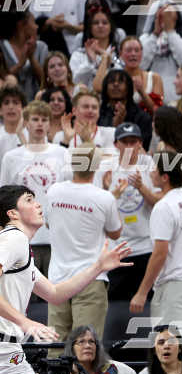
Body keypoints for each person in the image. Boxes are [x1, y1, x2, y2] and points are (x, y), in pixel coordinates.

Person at [0, 183, 130, 374]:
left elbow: (56, 294)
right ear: (12, 213)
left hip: (5, 348)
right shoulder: (13, 237)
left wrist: (98, 267)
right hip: (4, 353)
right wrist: (25, 322)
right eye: (29, 200)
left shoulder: (20, 249)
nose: (38, 204)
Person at [45, 143, 124, 342]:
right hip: (90, 279)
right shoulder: (105, 198)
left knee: (55, 346)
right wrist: (111, 195)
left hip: (57, 280)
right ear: (97, 167)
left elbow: (49, 223)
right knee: (86, 347)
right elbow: (115, 233)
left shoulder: (54, 191)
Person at [130, 152, 182, 329]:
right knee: (177, 344)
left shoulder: (163, 207)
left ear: (165, 177)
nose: (151, 173)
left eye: (155, 170)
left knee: (169, 347)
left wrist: (142, 292)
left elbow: (160, 253)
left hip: (174, 284)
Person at [0, 100, 70, 277]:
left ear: (49, 124)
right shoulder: (11, 157)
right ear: (26, 123)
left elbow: (69, 192)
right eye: (35, 119)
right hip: (21, 239)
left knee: (54, 295)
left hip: (56, 238)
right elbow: (4, 199)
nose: (40, 123)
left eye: (44, 119)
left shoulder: (61, 153)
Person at [101, 122, 161, 301]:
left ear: (140, 143)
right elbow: (99, 210)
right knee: (114, 304)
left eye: (133, 141)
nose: (128, 146)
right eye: (124, 142)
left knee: (147, 303)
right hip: (117, 249)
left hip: (145, 247)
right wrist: (108, 191)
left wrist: (142, 187)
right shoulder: (106, 168)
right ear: (115, 144)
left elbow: (159, 205)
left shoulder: (149, 165)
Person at [138, 7, 182, 106]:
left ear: (176, 19)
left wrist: (170, 32)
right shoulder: (145, 38)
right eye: (160, 17)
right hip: (150, 93)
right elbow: (140, 65)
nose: (164, 20)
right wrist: (155, 34)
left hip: (177, 95)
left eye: (168, 17)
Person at [69, 4, 123, 89]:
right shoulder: (78, 54)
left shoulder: (119, 53)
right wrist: (91, 62)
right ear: (90, 28)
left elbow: (123, 79)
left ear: (111, 27)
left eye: (104, 23)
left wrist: (107, 58)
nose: (100, 26)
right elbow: (73, 81)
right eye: (96, 23)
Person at [97, 69, 153, 148]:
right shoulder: (98, 114)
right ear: (105, 87)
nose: (116, 84)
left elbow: (143, 146)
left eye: (120, 81)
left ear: (128, 88)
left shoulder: (142, 116)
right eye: (112, 81)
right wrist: (113, 127)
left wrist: (121, 128)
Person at [1, 11, 47, 101]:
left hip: (37, 104)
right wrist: (20, 65)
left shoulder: (41, 47)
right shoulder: (2, 48)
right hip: (9, 104)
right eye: (33, 22)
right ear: (21, 25)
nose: (36, 26)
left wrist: (32, 58)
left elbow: (46, 81)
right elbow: (2, 80)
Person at [0, 85, 27, 163]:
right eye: (6, 103)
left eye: (15, 103)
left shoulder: (33, 134)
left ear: (23, 109)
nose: (11, 107)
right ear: (0, 110)